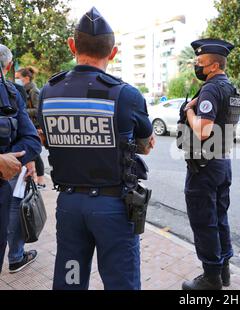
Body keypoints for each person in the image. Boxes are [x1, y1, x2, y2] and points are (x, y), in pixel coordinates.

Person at [37, 7, 155, 290]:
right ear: (112, 53)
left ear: (72, 45)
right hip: (113, 209)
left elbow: (47, 137)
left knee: (70, 279)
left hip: (69, 207)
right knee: (121, 282)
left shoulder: (49, 92)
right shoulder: (125, 94)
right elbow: (146, 142)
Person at [179, 39, 240, 290]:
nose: (197, 66)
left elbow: (203, 130)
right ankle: (223, 270)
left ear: (214, 65)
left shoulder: (210, 89)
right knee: (220, 217)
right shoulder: (231, 89)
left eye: (201, 63)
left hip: (203, 165)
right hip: (221, 161)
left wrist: (188, 111)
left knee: (204, 220)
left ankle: (211, 278)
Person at [0, 44, 42, 275]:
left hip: (6, 182)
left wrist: (13, 159)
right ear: (8, 66)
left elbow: (32, 140)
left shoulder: (13, 93)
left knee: (16, 206)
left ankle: (16, 255)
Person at [15, 67, 46, 188]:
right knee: (33, 155)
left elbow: (39, 110)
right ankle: (36, 179)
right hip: (31, 125)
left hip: (35, 127)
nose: (17, 80)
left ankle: (41, 181)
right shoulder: (25, 90)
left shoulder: (33, 91)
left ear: (26, 78)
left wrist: (22, 111)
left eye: (19, 78)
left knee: (35, 154)